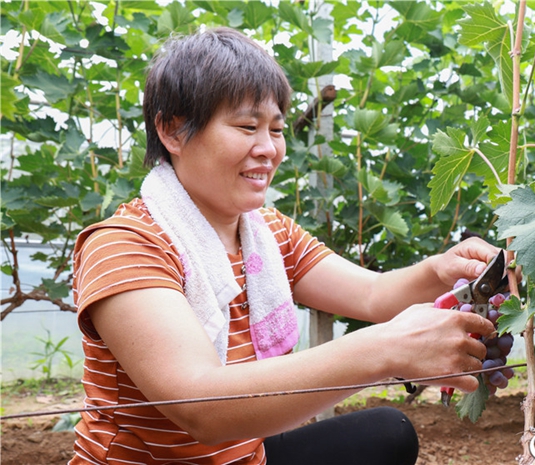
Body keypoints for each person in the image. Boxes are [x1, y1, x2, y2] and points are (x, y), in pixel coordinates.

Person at [70, 27, 500, 465]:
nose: (268, 149)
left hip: (244, 455)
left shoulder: (264, 231)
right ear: (173, 131)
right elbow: (200, 407)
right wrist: (383, 350)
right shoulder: (123, 246)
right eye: (246, 127)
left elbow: (372, 294)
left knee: (389, 432)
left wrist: (439, 270)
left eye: (275, 129)